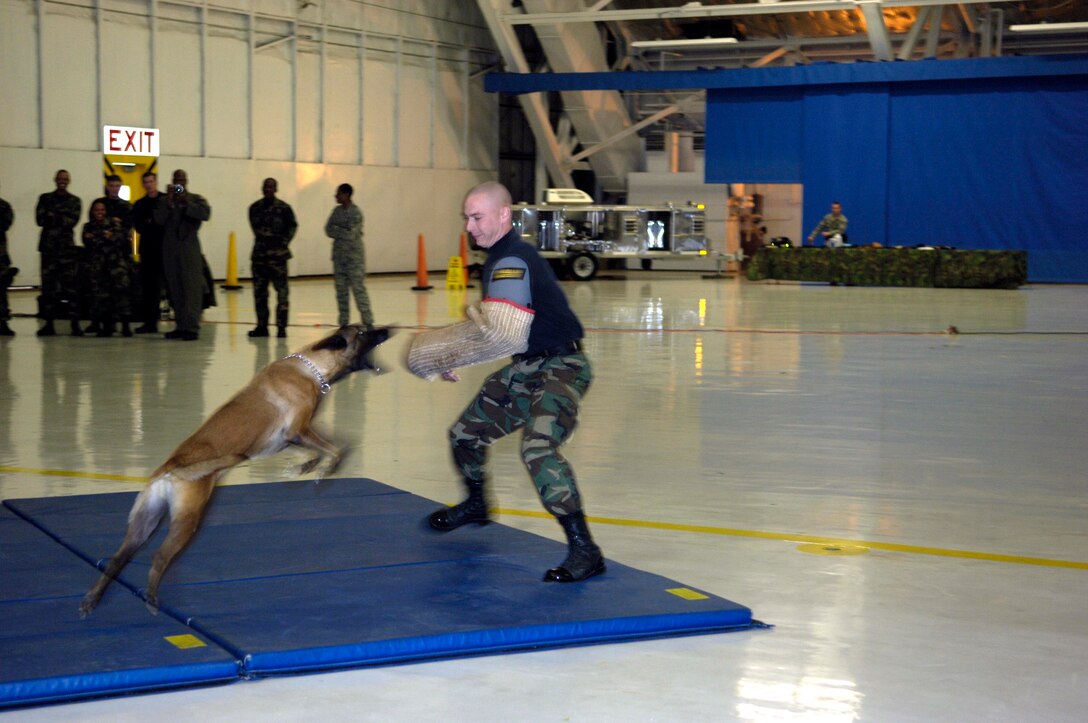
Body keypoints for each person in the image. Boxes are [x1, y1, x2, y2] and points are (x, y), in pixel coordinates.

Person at [407, 181, 603, 584]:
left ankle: (586, 550)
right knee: (464, 434)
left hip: (563, 364)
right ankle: (477, 503)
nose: (470, 226)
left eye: (477, 217)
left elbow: (504, 335)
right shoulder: (500, 258)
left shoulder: (514, 260)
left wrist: (447, 352)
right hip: (528, 366)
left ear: (503, 215)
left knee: (537, 448)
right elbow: (500, 331)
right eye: (466, 218)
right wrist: (448, 354)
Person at [154, 169, 211, 341]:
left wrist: (186, 203)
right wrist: (170, 203)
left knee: (191, 289)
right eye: (176, 180)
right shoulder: (165, 200)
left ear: (186, 181)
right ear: (172, 181)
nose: (179, 183)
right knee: (175, 289)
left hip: (189, 249)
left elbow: (205, 214)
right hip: (170, 250)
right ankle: (180, 325)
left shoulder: (195, 199)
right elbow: (158, 220)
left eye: (182, 180)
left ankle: (192, 327)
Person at [35, 170, 83, 336]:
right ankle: (48, 324)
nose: (62, 181)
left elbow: (72, 221)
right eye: (60, 178)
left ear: (69, 181)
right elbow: (39, 219)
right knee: (48, 288)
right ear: (55, 180)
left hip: (66, 251)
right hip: (48, 250)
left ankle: (75, 324)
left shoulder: (75, 201)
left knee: (71, 288)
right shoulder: (45, 198)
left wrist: (52, 216)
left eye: (65, 179)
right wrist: (61, 217)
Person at [248, 178, 297, 338]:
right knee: (260, 294)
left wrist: (283, 242)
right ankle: (262, 326)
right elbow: (257, 229)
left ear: (276, 189)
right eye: (266, 187)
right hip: (260, 258)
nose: (268, 189)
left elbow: (292, 226)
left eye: (271, 187)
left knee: (282, 294)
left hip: (278, 258)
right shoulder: (254, 208)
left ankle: (281, 327)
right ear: (262, 189)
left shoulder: (284, 208)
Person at [324, 183, 374, 329]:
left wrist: (339, 230)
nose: (336, 196)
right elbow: (328, 230)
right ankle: (343, 322)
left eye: (338, 193)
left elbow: (352, 234)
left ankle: (368, 321)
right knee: (341, 292)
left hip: (354, 259)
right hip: (339, 258)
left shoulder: (356, 212)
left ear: (346, 195)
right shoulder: (336, 211)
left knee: (358, 290)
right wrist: (344, 230)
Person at [82, 200, 135, 337]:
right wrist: (106, 237)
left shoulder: (114, 223)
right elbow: (88, 241)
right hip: (98, 267)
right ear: (92, 212)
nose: (99, 213)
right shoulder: (88, 226)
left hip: (116, 267)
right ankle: (105, 326)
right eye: (96, 210)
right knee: (101, 297)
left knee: (121, 296)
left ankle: (125, 326)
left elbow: (121, 239)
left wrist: (107, 237)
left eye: (102, 210)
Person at [132, 171, 165, 334]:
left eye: (151, 181)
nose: (149, 185)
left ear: (156, 182)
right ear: (143, 184)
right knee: (150, 289)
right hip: (149, 251)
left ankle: (183, 321)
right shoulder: (139, 204)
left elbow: (168, 222)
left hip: (166, 250)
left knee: (173, 287)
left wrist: (152, 221)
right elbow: (139, 226)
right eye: (146, 182)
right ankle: (150, 322)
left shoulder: (166, 199)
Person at [0, 183, 14, 336]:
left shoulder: (4, 206)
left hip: (0, 256)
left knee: (1, 289)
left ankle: (3, 321)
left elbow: (5, 224)